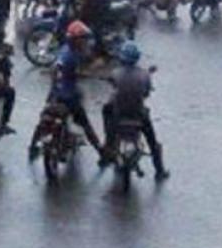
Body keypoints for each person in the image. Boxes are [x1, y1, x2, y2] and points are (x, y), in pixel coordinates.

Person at [37, 20, 103, 160]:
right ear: (75, 40)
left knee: (44, 117)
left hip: (56, 93)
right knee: (85, 123)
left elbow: (57, 72)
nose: (84, 42)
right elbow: (69, 72)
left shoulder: (65, 50)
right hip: (68, 97)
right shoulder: (70, 56)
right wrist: (91, 73)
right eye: (82, 39)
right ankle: (101, 151)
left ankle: (33, 146)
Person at [102, 41, 169, 179]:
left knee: (108, 123)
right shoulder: (144, 75)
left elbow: (111, 83)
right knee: (152, 141)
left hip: (118, 115)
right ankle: (159, 170)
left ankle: (106, 153)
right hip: (138, 114)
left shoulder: (116, 72)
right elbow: (146, 93)